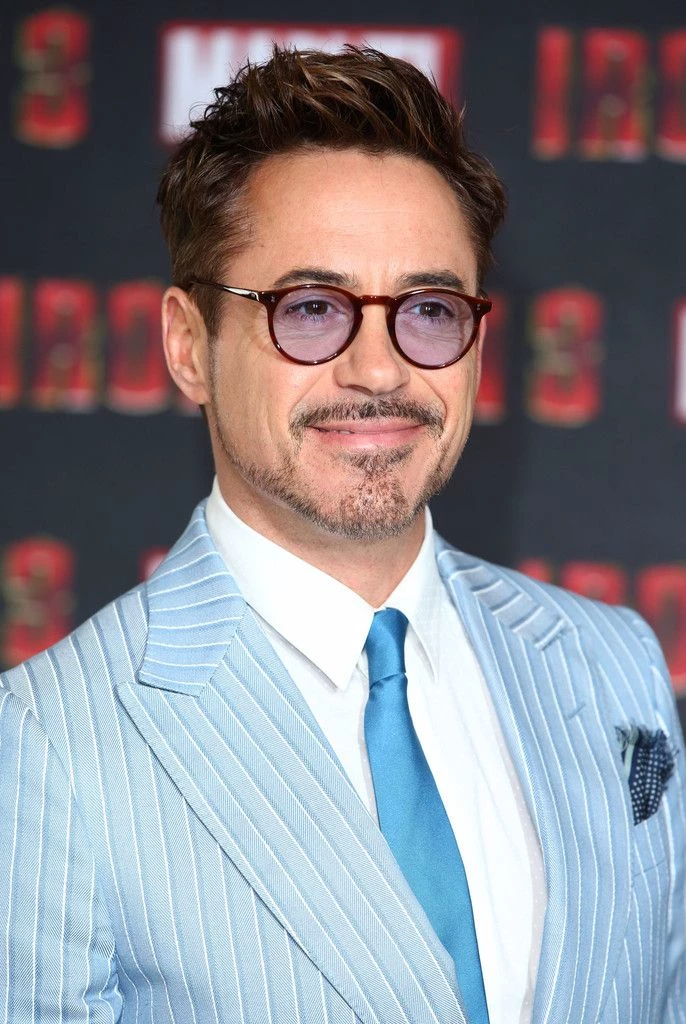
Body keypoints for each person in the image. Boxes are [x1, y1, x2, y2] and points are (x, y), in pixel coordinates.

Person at [0, 46, 684, 1024]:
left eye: (428, 310)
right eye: (312, 309)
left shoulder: (609, 664)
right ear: (188, 344)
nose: (379, 370)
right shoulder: (47, 744)